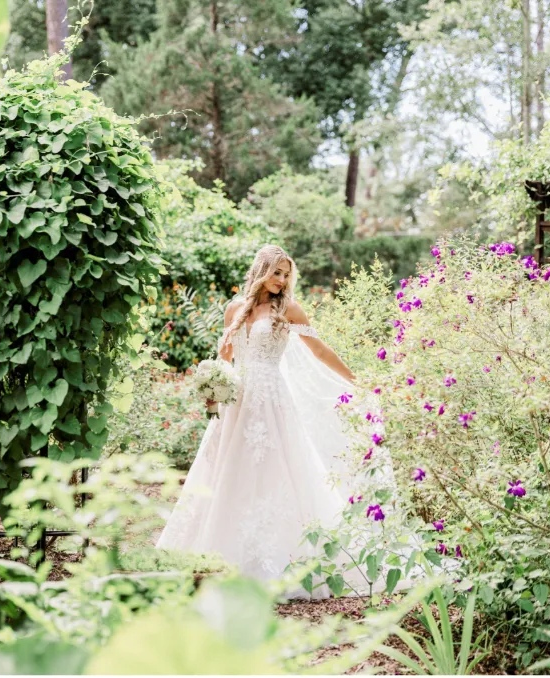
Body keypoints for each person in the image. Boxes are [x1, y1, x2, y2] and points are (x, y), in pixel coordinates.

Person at [155, 244, 386, 600]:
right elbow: (225, 356)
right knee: (228, 470)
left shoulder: (288, 309)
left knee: (273, 468)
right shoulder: (235, 307)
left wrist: (359, 382)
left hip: (270, 400)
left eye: (285, 274)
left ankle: (280, 561)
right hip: (236, 401)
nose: (281, 280)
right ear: (261, 270)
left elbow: (320, 350)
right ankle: (216, 559)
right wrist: (215, 385)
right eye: (276, 272)